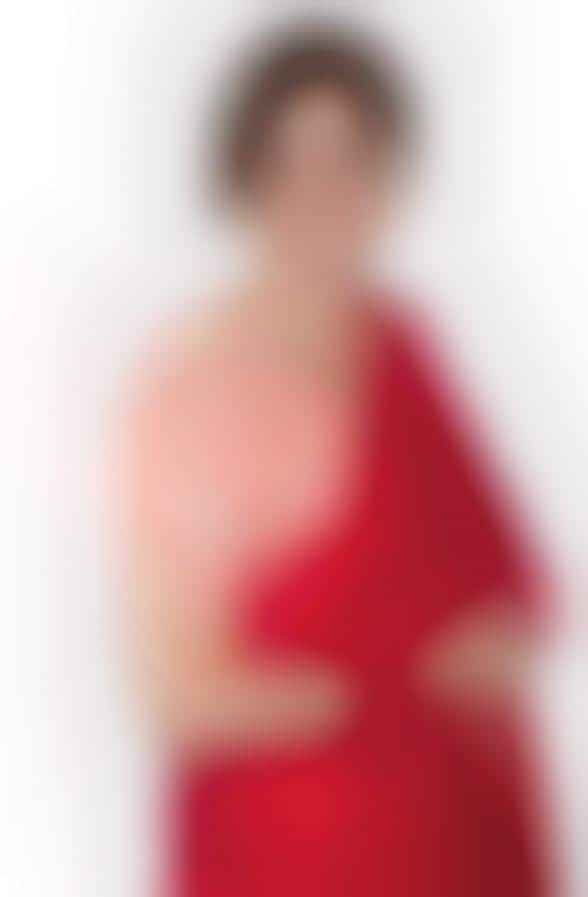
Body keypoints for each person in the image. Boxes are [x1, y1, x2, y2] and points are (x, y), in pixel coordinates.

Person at [120, 25, 549, 897]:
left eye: (350, 160)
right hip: (297, 851)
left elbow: (501, 590)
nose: (324, 193)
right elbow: (182, 691)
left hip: (460, 841)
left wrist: (488, 641)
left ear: (389, 174)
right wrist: (394, 686)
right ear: (245, 176)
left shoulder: (404, 346)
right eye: (292, 164)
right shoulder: (202, 385)